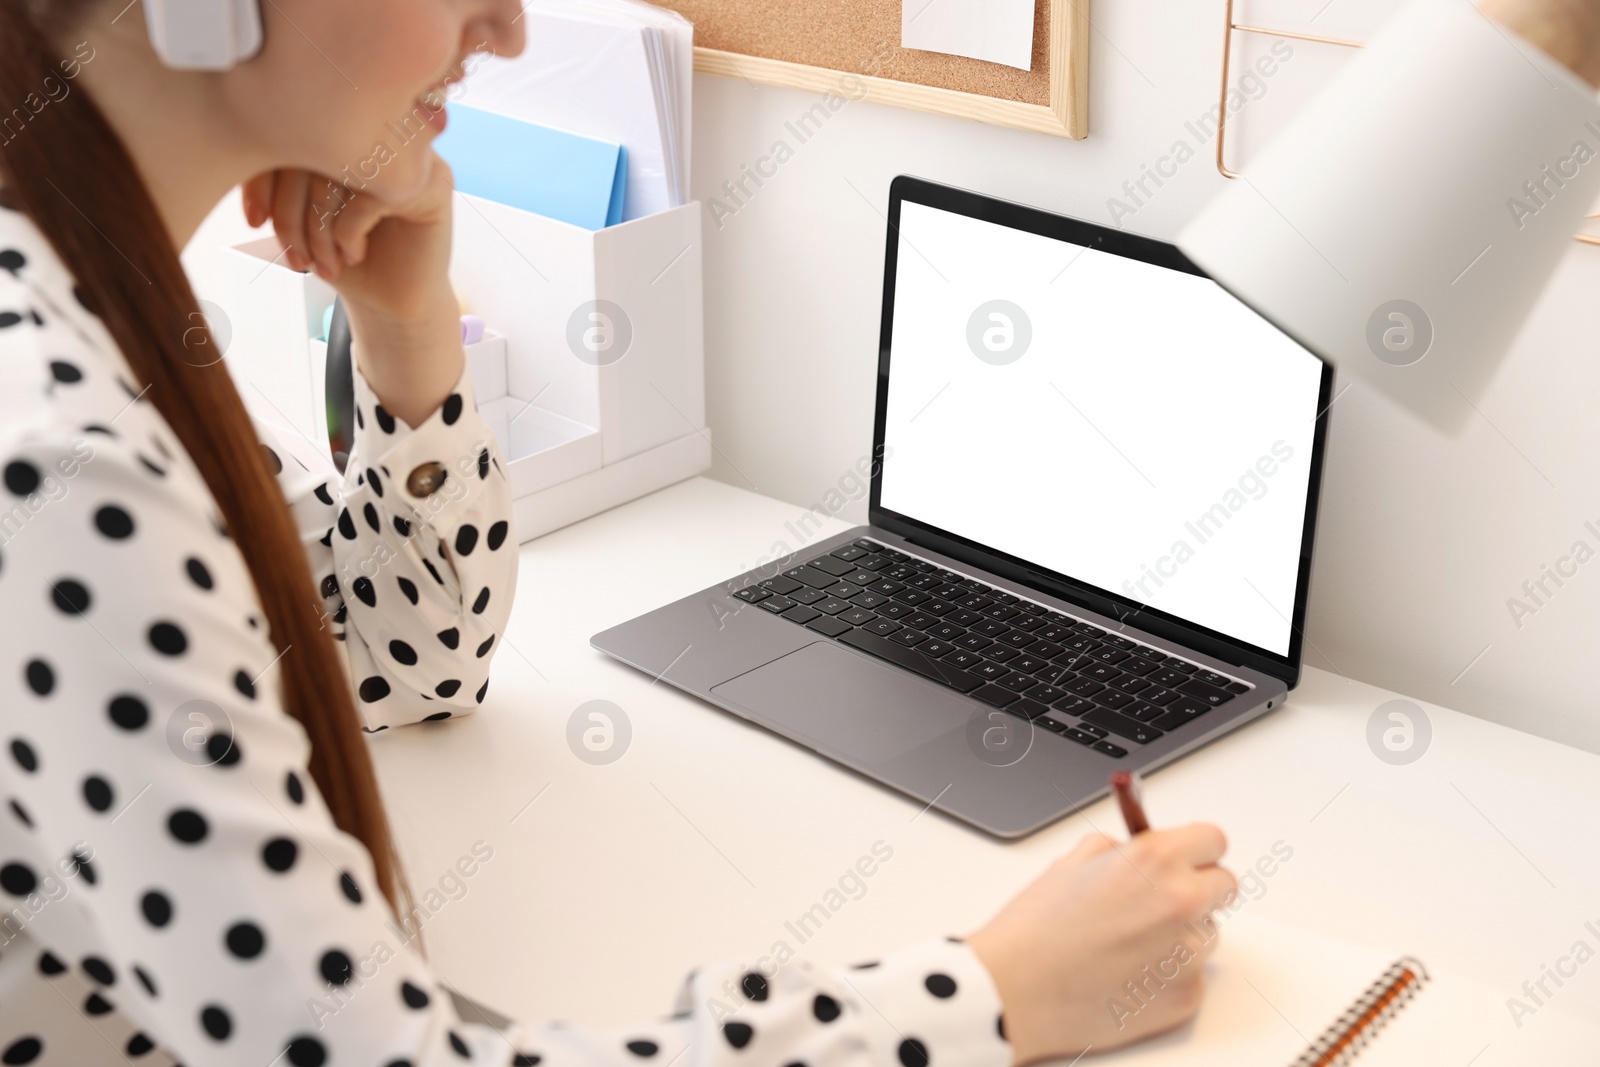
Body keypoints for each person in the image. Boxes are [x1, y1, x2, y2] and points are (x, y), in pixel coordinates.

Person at [0, 2, 1245, 1065]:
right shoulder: (57, 455)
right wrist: (989, 992)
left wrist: (411, 335)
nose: (506, 25)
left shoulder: (88, 308)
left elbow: (403, 658)